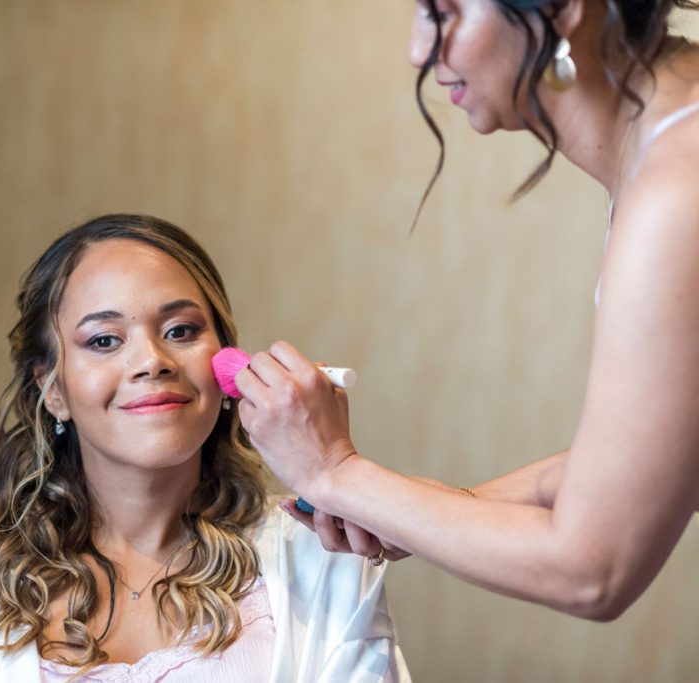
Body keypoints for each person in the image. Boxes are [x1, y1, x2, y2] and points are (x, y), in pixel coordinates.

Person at [235, 0, 699, 622]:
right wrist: (451, 504)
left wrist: (334, 474)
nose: (417, 50)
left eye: (441, 11)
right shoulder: (672, 127)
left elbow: (594, 570)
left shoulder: (678, 190)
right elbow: (663, 455)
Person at [0, 214, 410, 682]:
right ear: (53, 390)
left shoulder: (326, 565)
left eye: (182, 331)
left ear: (226, 367)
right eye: (104, 340)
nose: (152, 360)